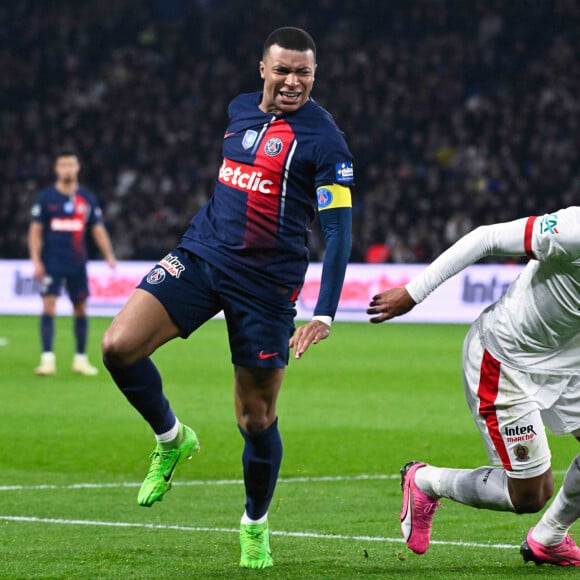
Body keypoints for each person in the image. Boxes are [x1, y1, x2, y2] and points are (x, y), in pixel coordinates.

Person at [101, 27, 353, 569]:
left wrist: (325, 311)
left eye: (303, 72)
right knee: (119, 346)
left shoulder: (325, 142)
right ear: (262, 68)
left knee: (256, 419)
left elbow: (338, 231)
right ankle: (172, 439)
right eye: (282, 69)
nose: (292, 81)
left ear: (315, 75)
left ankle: (254, 525)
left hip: (264, 288)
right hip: (202, 255)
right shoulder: (238, 109)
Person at [367, 207, 580, 567]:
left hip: (568, 360)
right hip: (506, 356)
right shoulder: (572, 230)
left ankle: (549, 538)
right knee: (530, 495)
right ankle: (425, 481)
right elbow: (488, 237)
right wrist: (414, 292)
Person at [28, 151, 116, 376]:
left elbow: (97, 228)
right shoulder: (46, 198)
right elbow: (35, 231)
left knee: (81, 307)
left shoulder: (86, 199)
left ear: (77, 168)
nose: (66, 169)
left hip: (77, 263)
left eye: (70, 165)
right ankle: (47, 359)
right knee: (49, 305)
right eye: (62, 165)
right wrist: (36, 260)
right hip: (52, 261)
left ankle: (80, 359)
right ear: (56, 169)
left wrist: (109, 254)